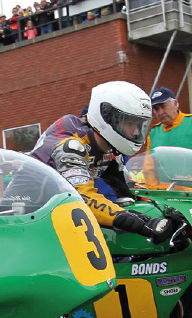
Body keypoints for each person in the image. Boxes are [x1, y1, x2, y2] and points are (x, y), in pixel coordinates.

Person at [28, 81, 178, 241]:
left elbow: (128, 189)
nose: (135, 132)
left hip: (54, 213)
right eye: (129, 123)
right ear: (108, 117)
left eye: (138, 125)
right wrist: (143, 224)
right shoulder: (71, 145)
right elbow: (83, 198)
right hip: (28, 215)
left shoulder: (108, 145)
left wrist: (168, 207)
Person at [146, 87, 192, 155]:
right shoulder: (153, 133)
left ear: (175, 104)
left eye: (163, 106)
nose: (160, 112)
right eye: (156, 109)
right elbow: (149, 162)